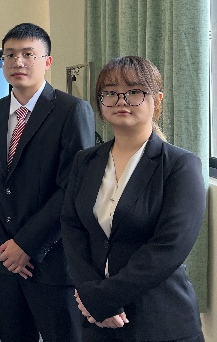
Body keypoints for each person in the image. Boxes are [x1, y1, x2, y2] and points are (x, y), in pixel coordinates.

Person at [61, 56, 205, 342]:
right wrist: (90, 293)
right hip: (98, 323)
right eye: (110, 92)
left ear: (157, 99)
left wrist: (102, 299)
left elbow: (170, 246)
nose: (121, 100)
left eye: (134, 91)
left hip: (160, 321)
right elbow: (72, 228)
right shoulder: (85, 161)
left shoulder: (180, 165)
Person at [0, 23, 95, 342]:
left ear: (47, 61)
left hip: (52, 263)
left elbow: (72, 188)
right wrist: (3, 247)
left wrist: (26, 246)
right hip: (6, 264)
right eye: (10, 55)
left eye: (28, 54)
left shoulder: (71, 111)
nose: (18, 62)